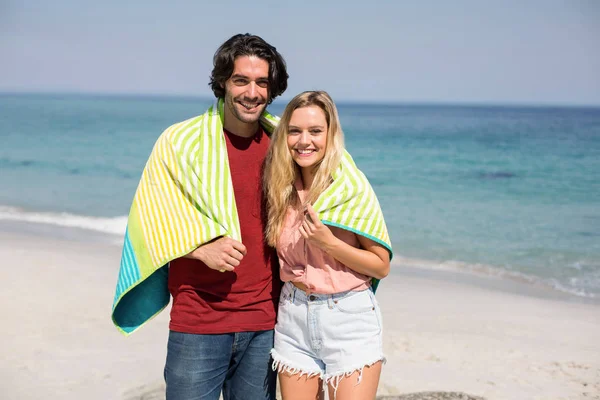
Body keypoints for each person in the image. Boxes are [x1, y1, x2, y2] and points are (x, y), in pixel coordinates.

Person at [111, 33, 288, 400]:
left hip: (266, 321)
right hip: (199, 319)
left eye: (262, 83)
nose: (252, 92)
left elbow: (332, 196)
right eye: (241, 80)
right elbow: (149, 214)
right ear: (223, 82)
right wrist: (197, 247)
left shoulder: (285, 144)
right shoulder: (179, 142)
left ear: (272, 90)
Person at [263, 91, 393, 400]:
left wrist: (329, 243)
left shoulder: (351, 188)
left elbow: (381, 265)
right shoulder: (280, 186)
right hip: (293, 316)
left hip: (348, 318)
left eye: (315, 131)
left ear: (330, 134)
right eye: (294, 131)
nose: (303, 140)